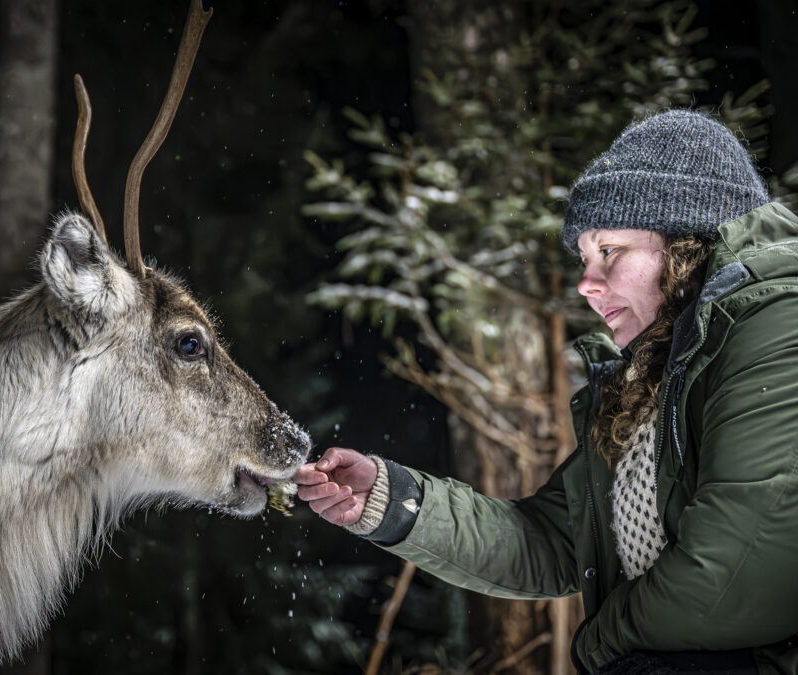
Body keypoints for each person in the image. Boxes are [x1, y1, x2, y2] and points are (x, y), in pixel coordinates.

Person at [294, 110, 798, 674]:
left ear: (687, 242)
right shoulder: (651, 384)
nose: (586, 283)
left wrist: (598, 645)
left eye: (609, 251)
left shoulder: (778, 323)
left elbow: (738, 576)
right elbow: (555, 542)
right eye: (583, 259)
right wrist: (391, 502)